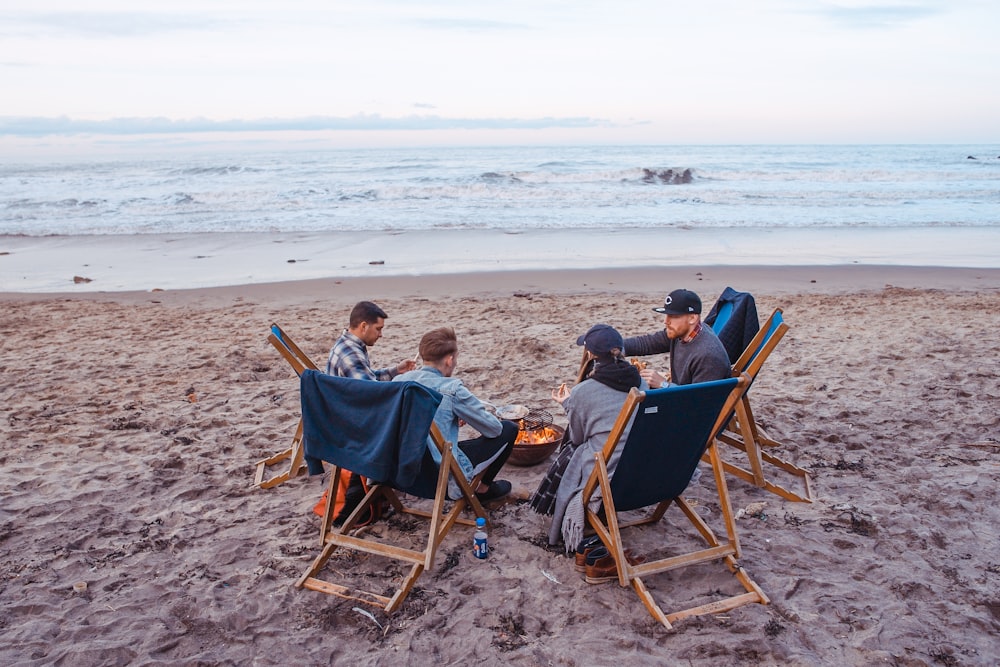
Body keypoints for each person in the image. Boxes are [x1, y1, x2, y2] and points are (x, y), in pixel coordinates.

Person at [530, 324, 645, 553]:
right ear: (620, 350)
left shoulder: (584, 391)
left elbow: (578, 437)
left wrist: (569, 404)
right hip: (636, 471)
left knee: (572, 451)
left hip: (605, 472)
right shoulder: (640, 383)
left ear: (591, 355)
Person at [393, 327, 517, 502]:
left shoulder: (398, 381)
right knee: (509, 428)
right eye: (456, 358)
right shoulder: (452, 389)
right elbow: (494, 430)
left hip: (401, 473)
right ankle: (482, 488)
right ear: (450, 360)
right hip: (438, 478)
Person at [623, 288, 731, 388]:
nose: (666, 321)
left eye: (673, 316)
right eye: (666, 315)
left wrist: (663, 384)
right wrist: (616, 346)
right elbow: (648, 343)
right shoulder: (681, 333)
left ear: (692, 318)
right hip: (681, 395)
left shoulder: (708, 355)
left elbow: (699, 402)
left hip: (690, 405)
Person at [326, 301, 416, 381]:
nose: (380, 334)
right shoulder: (351, 354)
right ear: (364, 326)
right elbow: (372, 392)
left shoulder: (345, 343)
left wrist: (397, 371)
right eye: (378, 329)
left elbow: (368, 375)